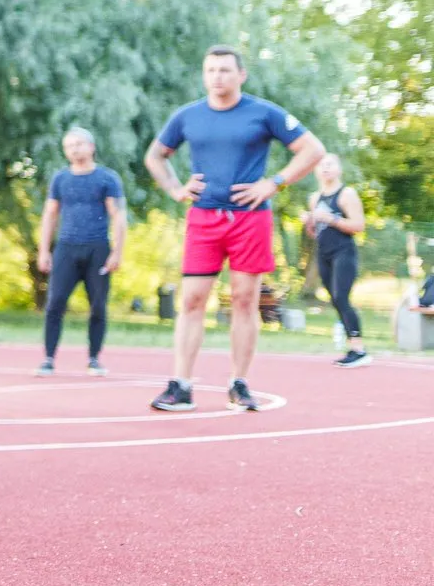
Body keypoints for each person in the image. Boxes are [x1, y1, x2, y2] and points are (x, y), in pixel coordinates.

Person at [142, 45, 325, 412]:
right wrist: (176, 189)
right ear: (204, 75)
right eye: (211, 70)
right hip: (204, 218)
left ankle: (238, 384)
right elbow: (155, 156)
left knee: (244, 301)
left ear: (241, 74)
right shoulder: (187, 116)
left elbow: (312, 150)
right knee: (192, 300)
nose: (217, 77)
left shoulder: (263, 113)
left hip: (250, 219)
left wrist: (274, 182)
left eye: (225, 70)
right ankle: (181, 385)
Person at [35, 127, 127, 377]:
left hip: (97, 247)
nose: (74, 150)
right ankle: (48, 358)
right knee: (54, 303)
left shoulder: (107, 179)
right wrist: (44, 250)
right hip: (66, 247)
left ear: (91, 146)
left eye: (78, 144)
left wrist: (117, 252)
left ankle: (94, 359)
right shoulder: (60, 179)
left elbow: (118, 215)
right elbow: (50, 214)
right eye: (69, 146)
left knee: (98, 305)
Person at [305, 153, 369, 367]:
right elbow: (316, 231)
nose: (325, 168)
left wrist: (331, 218)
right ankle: (352, 346)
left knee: (342, 296)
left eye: (330, 164)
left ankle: (359, 349)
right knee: (334, 298)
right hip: (324, 253)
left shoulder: (346, 194)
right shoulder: (314, 198)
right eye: (321, 164)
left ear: (339, 169)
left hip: (344, 252)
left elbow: (358, 226)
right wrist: (309, 222)